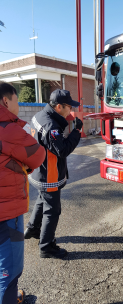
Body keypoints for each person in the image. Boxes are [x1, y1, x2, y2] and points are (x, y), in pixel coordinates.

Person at [0, 82, 46, 304]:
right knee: (10, 268)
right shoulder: (8, 129)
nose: (18, 105)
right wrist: (21, 165)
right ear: (6, 101)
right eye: (17, 100)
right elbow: (37, 155)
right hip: (6, 209)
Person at [24, 89, 83, 259]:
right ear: (59, 106)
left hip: (38, 171)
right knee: (52, 210)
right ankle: (46, 246)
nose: (71, 111)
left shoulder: (40, 116)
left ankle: (33, 229)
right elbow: (63, 149)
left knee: (42, 201)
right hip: (48, 175)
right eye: (69, 107)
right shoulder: (51, 127)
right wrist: (76, 131)